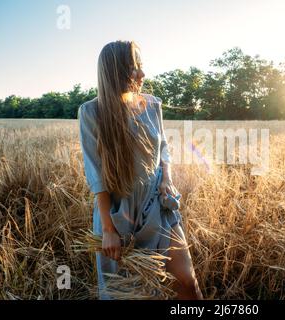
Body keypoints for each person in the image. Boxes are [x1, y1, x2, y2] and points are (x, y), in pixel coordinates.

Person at [77, 40, 203, 300]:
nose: (142, 75)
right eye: (134, 68)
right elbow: (96, 174)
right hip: (117, 214)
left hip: (157, 205)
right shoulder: (91, 112)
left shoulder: (153, 105)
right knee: (125, 294)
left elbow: (163, 148)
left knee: (187, 283)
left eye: (141, 67)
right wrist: (109, 231)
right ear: (115, 71)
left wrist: (166, 179)